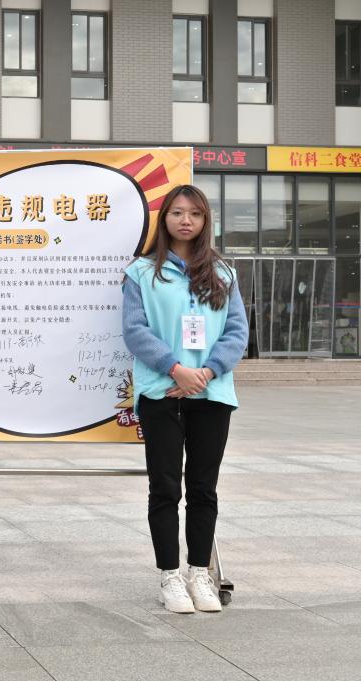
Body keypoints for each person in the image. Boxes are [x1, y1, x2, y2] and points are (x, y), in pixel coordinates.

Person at [122, 184, 248, 614]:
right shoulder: (142, 273)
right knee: (164, 487)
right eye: (177, 212)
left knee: (203, 489)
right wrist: (176, 369)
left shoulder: (224, 273)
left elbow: (237, 333)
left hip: (212, 393)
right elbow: (135, 330)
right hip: (161, 392)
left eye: (194, 213)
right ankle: (170, 576)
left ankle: (199, 573)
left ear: (205, 221)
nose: (186, 220)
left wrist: (205, 374)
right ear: (165, 219)